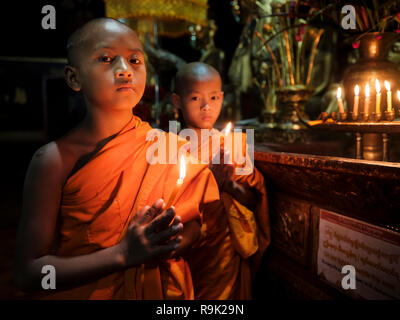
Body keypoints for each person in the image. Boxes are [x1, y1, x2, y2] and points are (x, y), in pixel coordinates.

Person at [14, 18, 219, 300]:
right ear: (74, 78)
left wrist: (166, 240)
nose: (124, 71)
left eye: (135, 60)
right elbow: (28, 273)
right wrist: (124, 254)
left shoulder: (170, 148)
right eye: (106, 58)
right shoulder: (54, 160)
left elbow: (195, 226)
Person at [171, 62, 271, 299]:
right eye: (195, 99)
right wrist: (207, 188)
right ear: (177, 101)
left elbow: (253, 201)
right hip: (185, 249)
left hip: (223, 253)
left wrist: (229, 186)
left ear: (222, 97)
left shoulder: (232, 146)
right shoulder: (169, 148)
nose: (207, 107)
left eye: (214, 97)